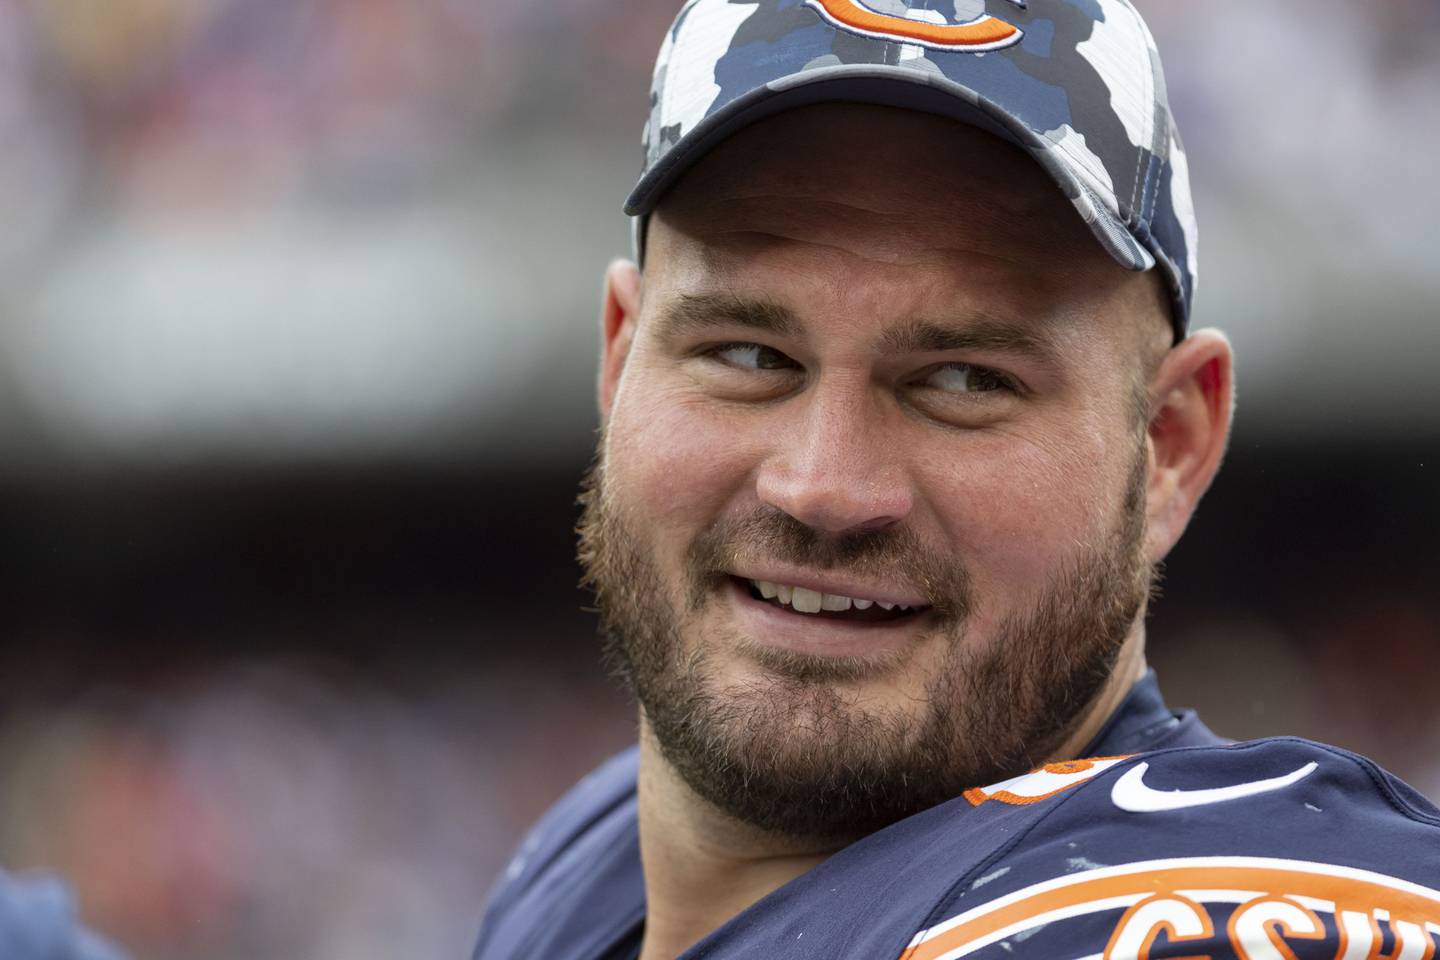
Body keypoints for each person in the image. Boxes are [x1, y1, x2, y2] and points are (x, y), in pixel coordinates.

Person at [473, 1, 1440, 958]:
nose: (822, 487)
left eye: (966, 380)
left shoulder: (1198, 911)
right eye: (749, 355)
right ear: (620, 359)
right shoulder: (575, 863)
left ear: (1169, 444)